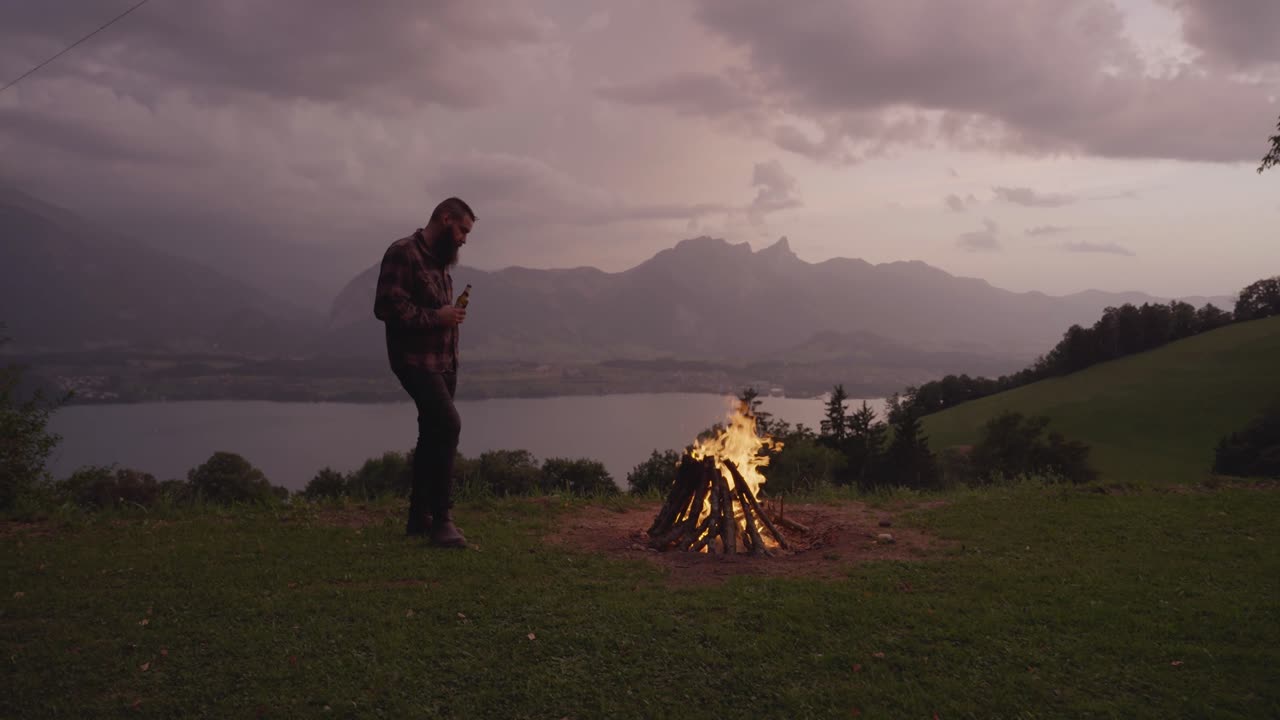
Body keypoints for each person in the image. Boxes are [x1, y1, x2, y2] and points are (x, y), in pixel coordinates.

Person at [373, 197, 475, 548]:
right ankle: (442, 520)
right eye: (462, 229)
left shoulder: (441, 262)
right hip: (414, 361)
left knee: (431, 432)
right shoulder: (403, 252)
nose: (464, 239)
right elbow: (387, 307)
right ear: (445, 219)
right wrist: (438, 317)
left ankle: (419, 517)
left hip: (443, 363)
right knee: (449, 425)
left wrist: (448, 317)